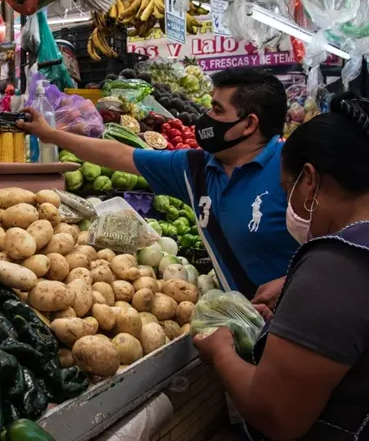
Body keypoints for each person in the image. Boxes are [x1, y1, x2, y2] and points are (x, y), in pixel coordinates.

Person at [193, 94, 369, 441]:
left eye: (285, 190)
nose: (289, 205)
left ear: (309, 180)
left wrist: (221, 352)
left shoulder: (339, 265)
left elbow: (276, 413)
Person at [19, 69, 298, 301]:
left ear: (249, 124)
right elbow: (120, 155)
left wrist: (288, 284)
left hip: (304, 322)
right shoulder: (196, 168)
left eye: (217, 110)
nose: (206, 117)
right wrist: (51, 134)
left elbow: (340, 248)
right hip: (251, 321)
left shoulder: (296, 171)